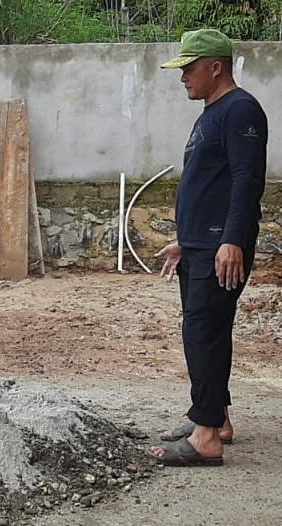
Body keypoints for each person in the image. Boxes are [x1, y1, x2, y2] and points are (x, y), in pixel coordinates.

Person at [150, 29, 267, 467]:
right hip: (202, 245)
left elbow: (245, 180)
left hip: (221, 246)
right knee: (205, 333)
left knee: (204, 332)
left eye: (189, 68)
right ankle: (215, 419)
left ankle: (206, 438)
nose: (183, 77)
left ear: (215, 66)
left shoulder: (240, 111)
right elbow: (210, 185)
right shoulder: (213, 112)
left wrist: (232, 239)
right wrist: (187, 239)